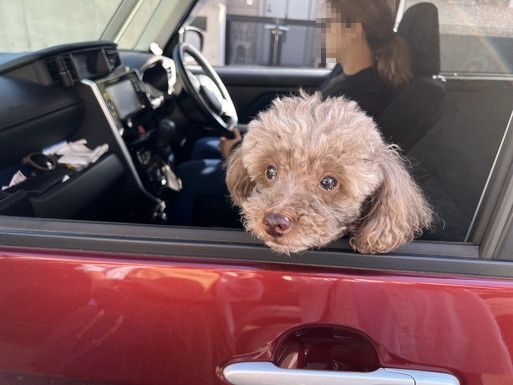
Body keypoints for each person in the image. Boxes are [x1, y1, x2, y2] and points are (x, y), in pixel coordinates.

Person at [171, 0, 412, 225]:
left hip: (300, 195)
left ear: (353, 30)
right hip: (289, 171)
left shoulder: (363, 95)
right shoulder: (343, 74)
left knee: (185, 175)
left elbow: (319, 160)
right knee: (203, 145)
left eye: (328, 25)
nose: (321, 32)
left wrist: (235, 150)